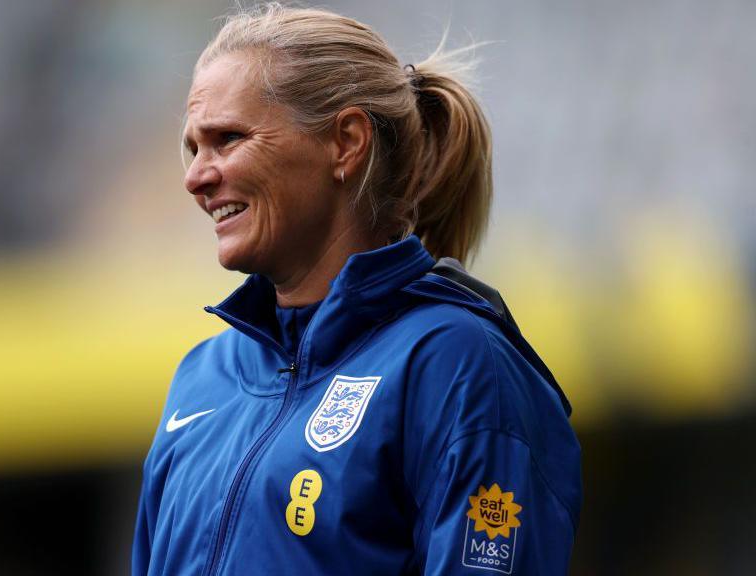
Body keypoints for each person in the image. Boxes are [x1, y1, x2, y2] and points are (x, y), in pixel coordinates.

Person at [133, 4, 581, 575]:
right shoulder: (200, 381)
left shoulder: (457, 365)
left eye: (227, 139)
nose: (196, 176)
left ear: (345, 143)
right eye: (194, 148)